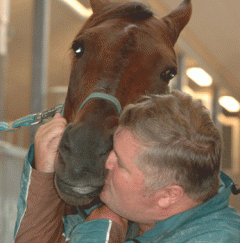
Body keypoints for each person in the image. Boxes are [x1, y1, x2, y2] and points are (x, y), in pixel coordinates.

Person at [14, 90, 240, 242]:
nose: (106, 162)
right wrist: (44, 173)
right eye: (112, 148)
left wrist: (99, 232)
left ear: (168, 195)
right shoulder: (133, 212)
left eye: (120, 163)